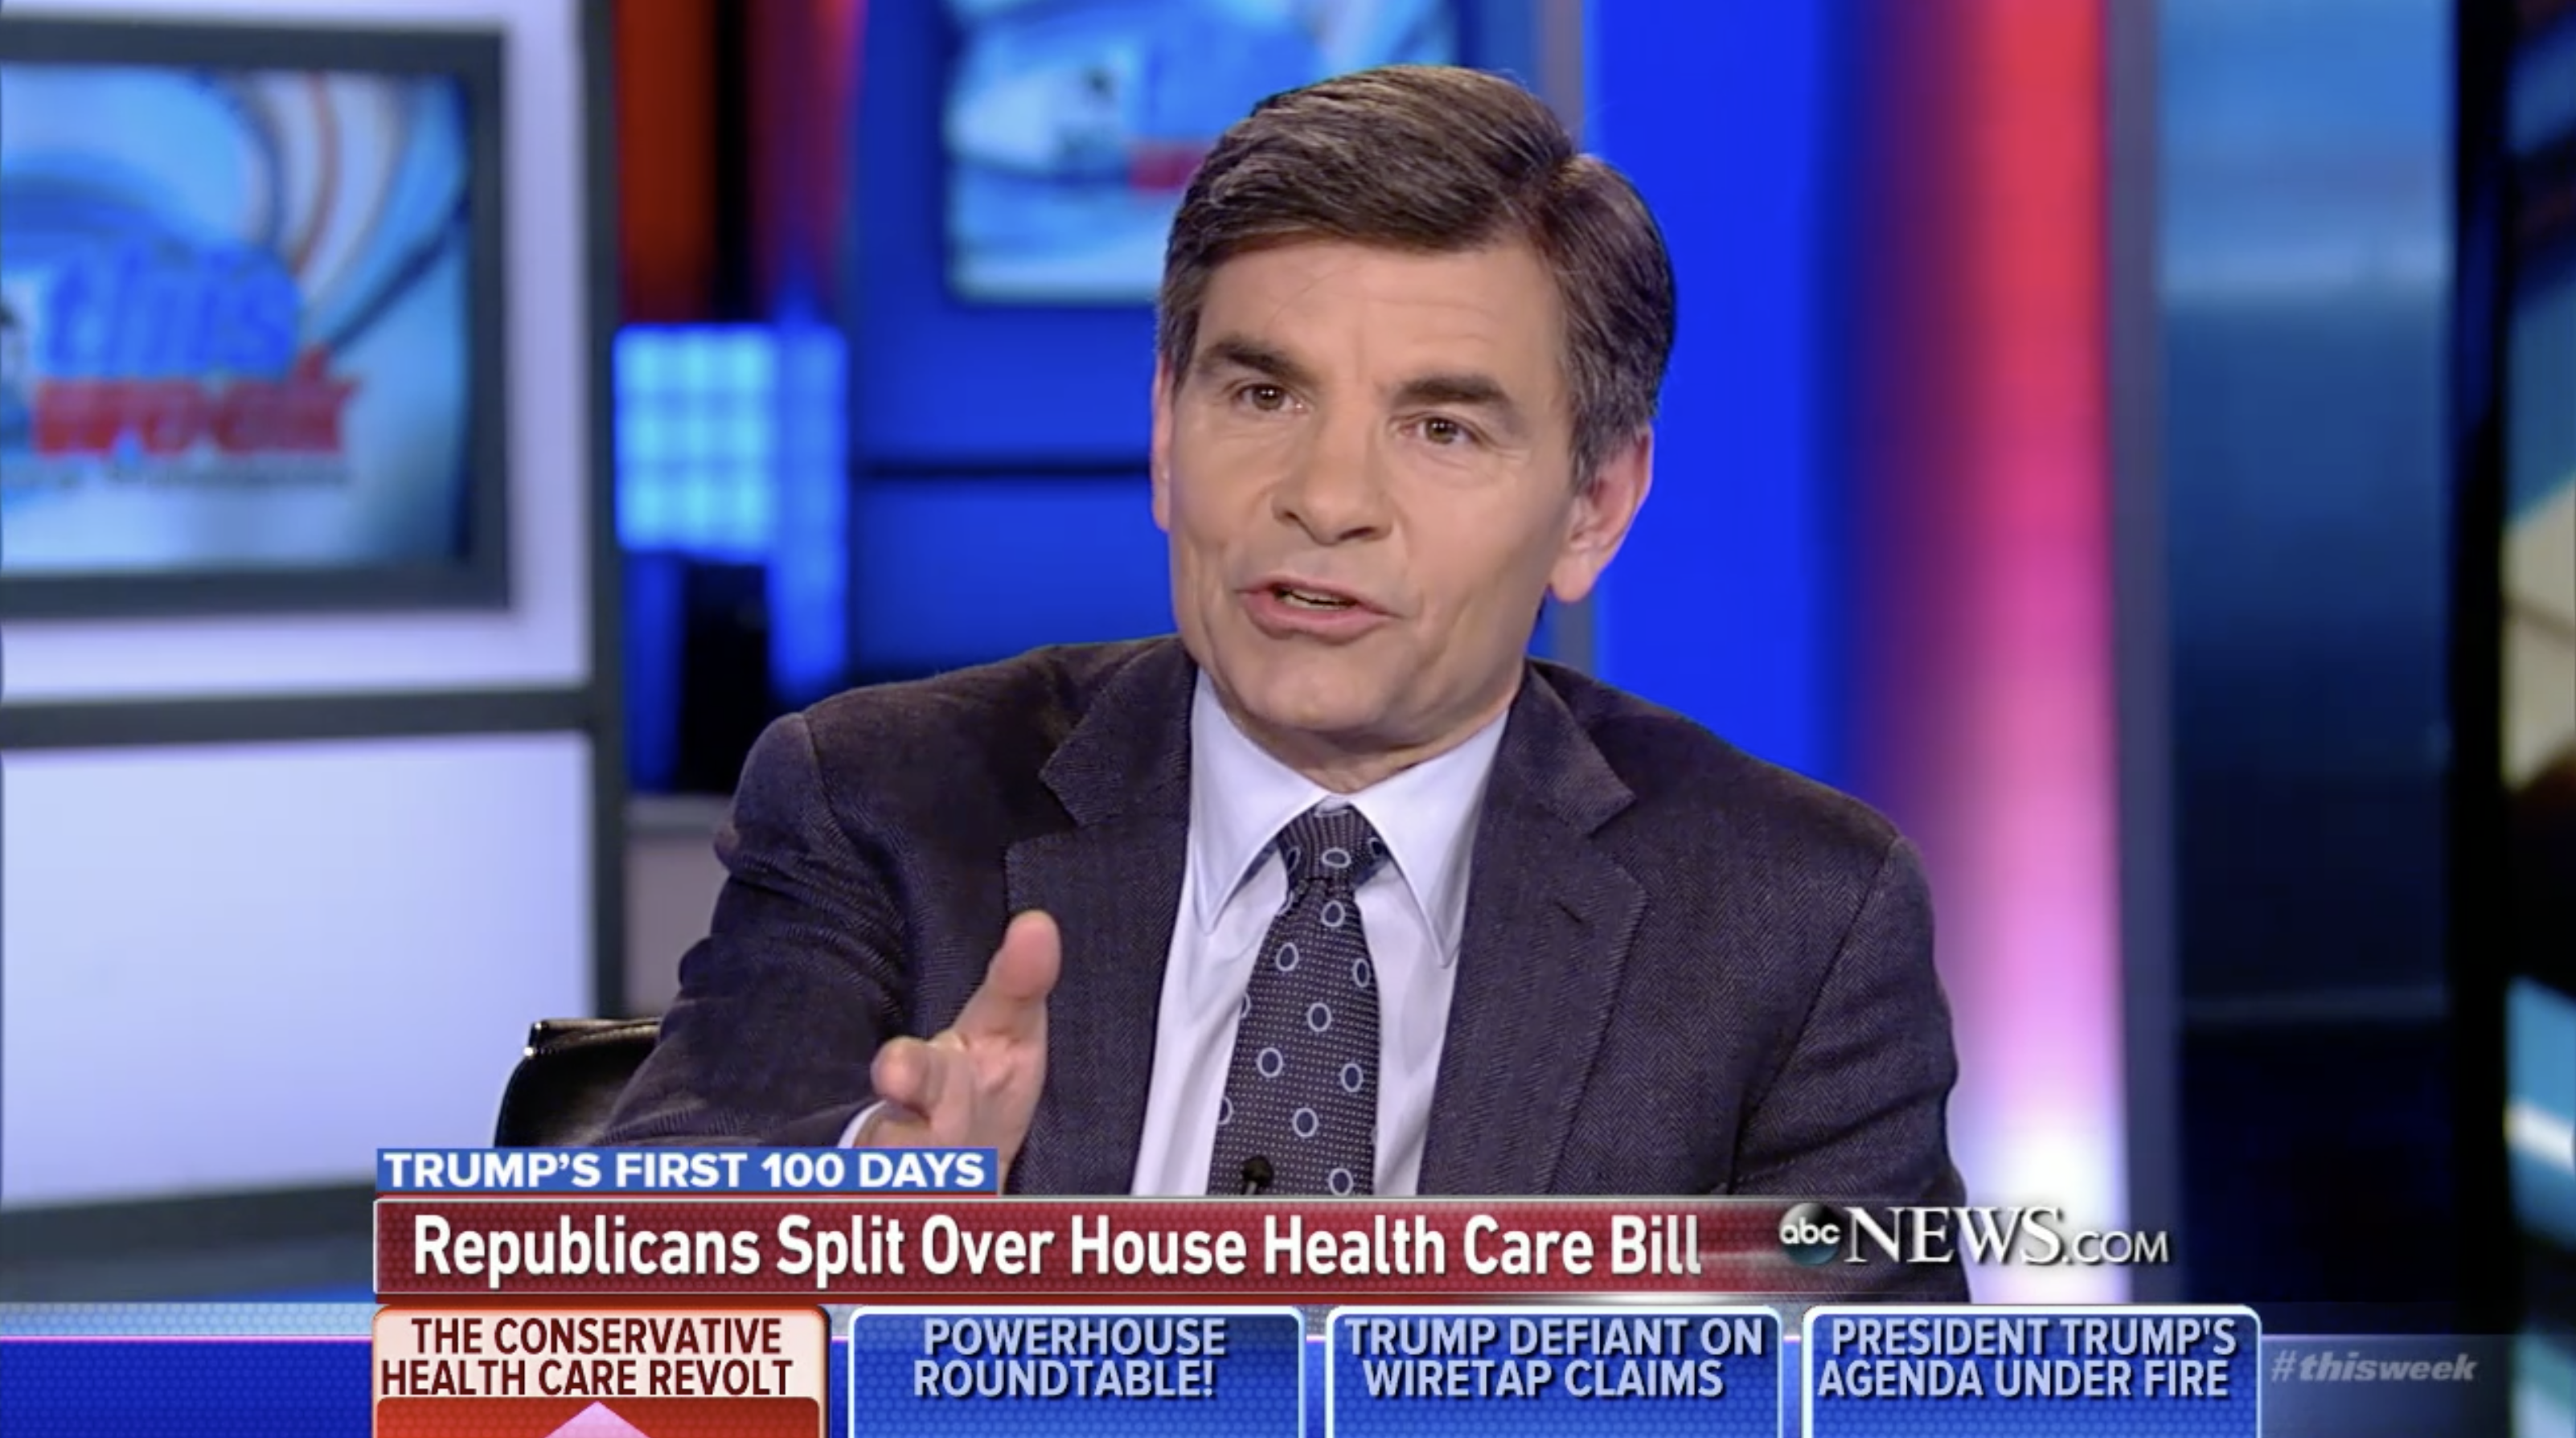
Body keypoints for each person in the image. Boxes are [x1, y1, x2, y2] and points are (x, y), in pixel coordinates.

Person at [604, 67, 1967, 1241]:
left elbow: (1858, 1396)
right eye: (1263, 394)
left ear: (1593, 507)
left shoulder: (1792, 920)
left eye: (1442, 429)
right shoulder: (882, 804)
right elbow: (628, 1295)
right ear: (1165, 433)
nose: (1326, 498)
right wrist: (872, 1221)